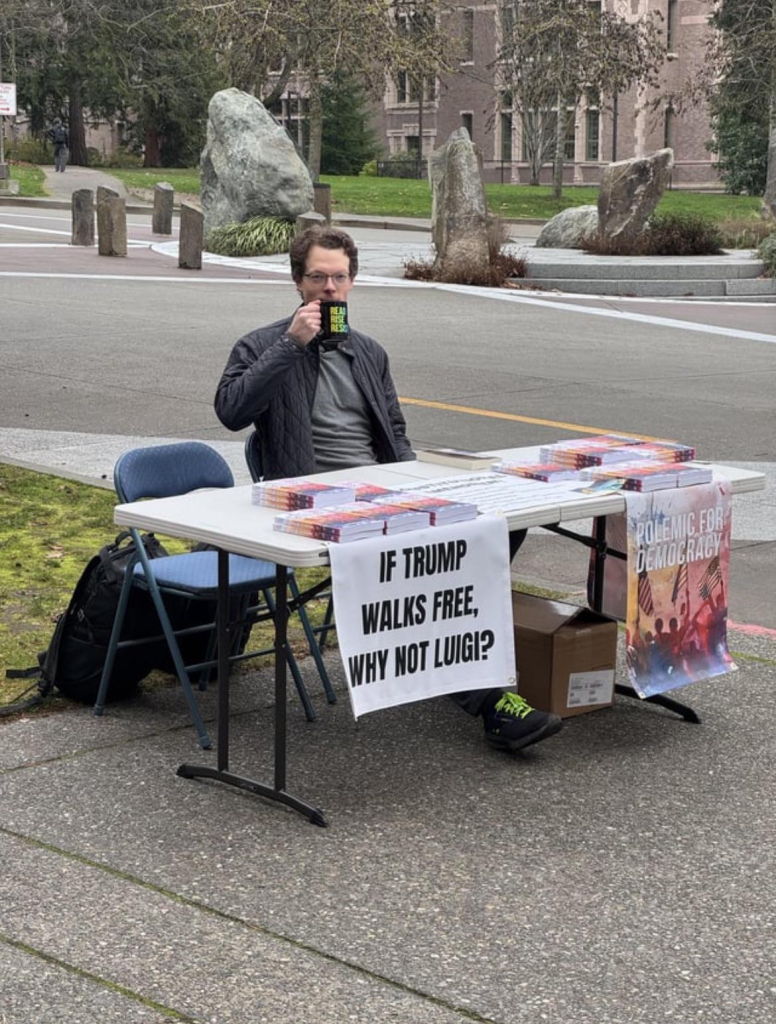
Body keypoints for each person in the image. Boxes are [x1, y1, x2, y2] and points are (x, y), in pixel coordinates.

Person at [215, 225, 562, 753]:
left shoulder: (368, 353)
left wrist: (418, 490)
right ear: (297, 282)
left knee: (494, 531)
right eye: (318, 278)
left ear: (353, 282)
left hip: (382, 495)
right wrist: (291, 344)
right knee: (416, 566)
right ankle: (491, 703)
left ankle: (446, 657)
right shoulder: (263, 345)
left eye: (339, 278)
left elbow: (394, 433)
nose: (329, 289)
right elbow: (231, 411)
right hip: (319, 504)